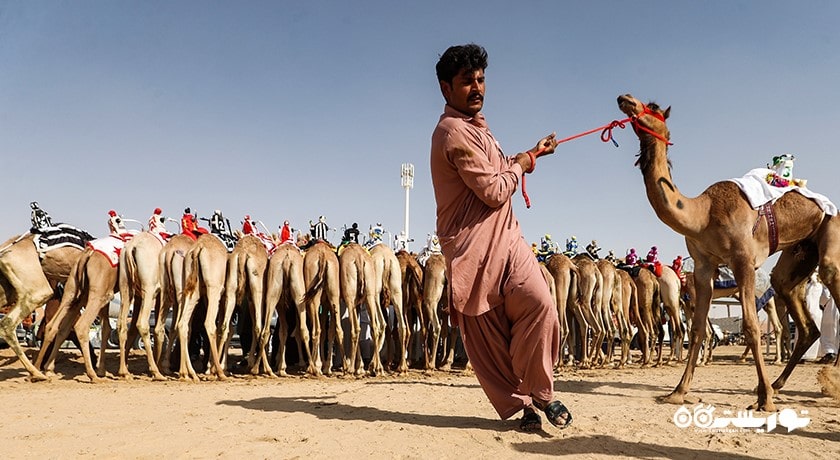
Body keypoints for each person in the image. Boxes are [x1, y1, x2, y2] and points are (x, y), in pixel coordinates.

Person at [430, 43, 569, 432]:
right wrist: (523, 164)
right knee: (492, 338)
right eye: (466, 82)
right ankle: (524, 405)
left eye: (480, 80)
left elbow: (500, 172)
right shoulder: (452, 133)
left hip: (507, 240)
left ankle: (542, 393)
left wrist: (532, 153)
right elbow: (492, 190)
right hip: (473, 247)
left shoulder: (480, 130)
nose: (476, 88)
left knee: (540, 303)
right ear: (446, 89)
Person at [818, 285, 838, 364]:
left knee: (828, 332)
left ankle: (830, 353)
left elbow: (826, 295)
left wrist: (821, 303)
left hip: (832, 308)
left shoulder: (829, 282)